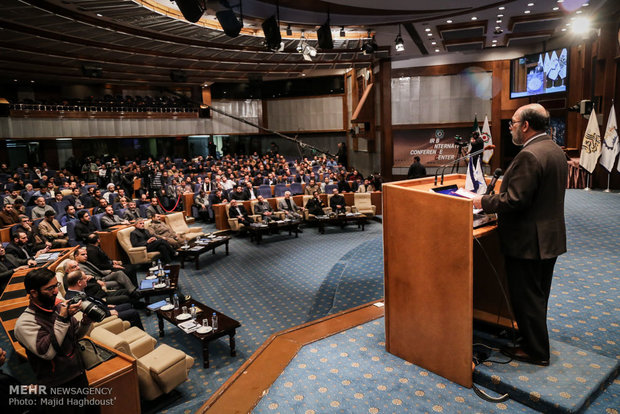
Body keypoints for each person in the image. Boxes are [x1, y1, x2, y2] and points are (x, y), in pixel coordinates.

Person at [473, 103, 567, 366]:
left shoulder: (529, 155)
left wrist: (484, 202)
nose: (511, 128)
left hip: (529, 241)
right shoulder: (554, 150)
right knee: (538, 295)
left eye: (513, 123)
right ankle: (531, 341)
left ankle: (536, 351)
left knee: (527, 297)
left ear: (525, 125)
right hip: (549, 237)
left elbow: (515, 200)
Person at [14, 268, 92, 411]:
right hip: (57, 387)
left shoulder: (57, 307)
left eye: (56, 285)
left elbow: (75, 335)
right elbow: (47, 352)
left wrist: (85, 323)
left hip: (78, 375)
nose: (56, 291)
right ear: (33, 293)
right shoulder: (25, 323)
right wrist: (62, 319)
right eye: (50, 288)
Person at [65, 270, 143, 329]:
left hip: (103, 307)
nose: (86, 281)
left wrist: (106, 304)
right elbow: (92, 312)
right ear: (79, 282)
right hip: (101, 316)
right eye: (85, 279)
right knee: (133, 313)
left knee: (128, 305)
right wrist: (108, 312)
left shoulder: (77, 291)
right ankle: (141, 335)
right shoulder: (75, 299)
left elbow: (93, 300)